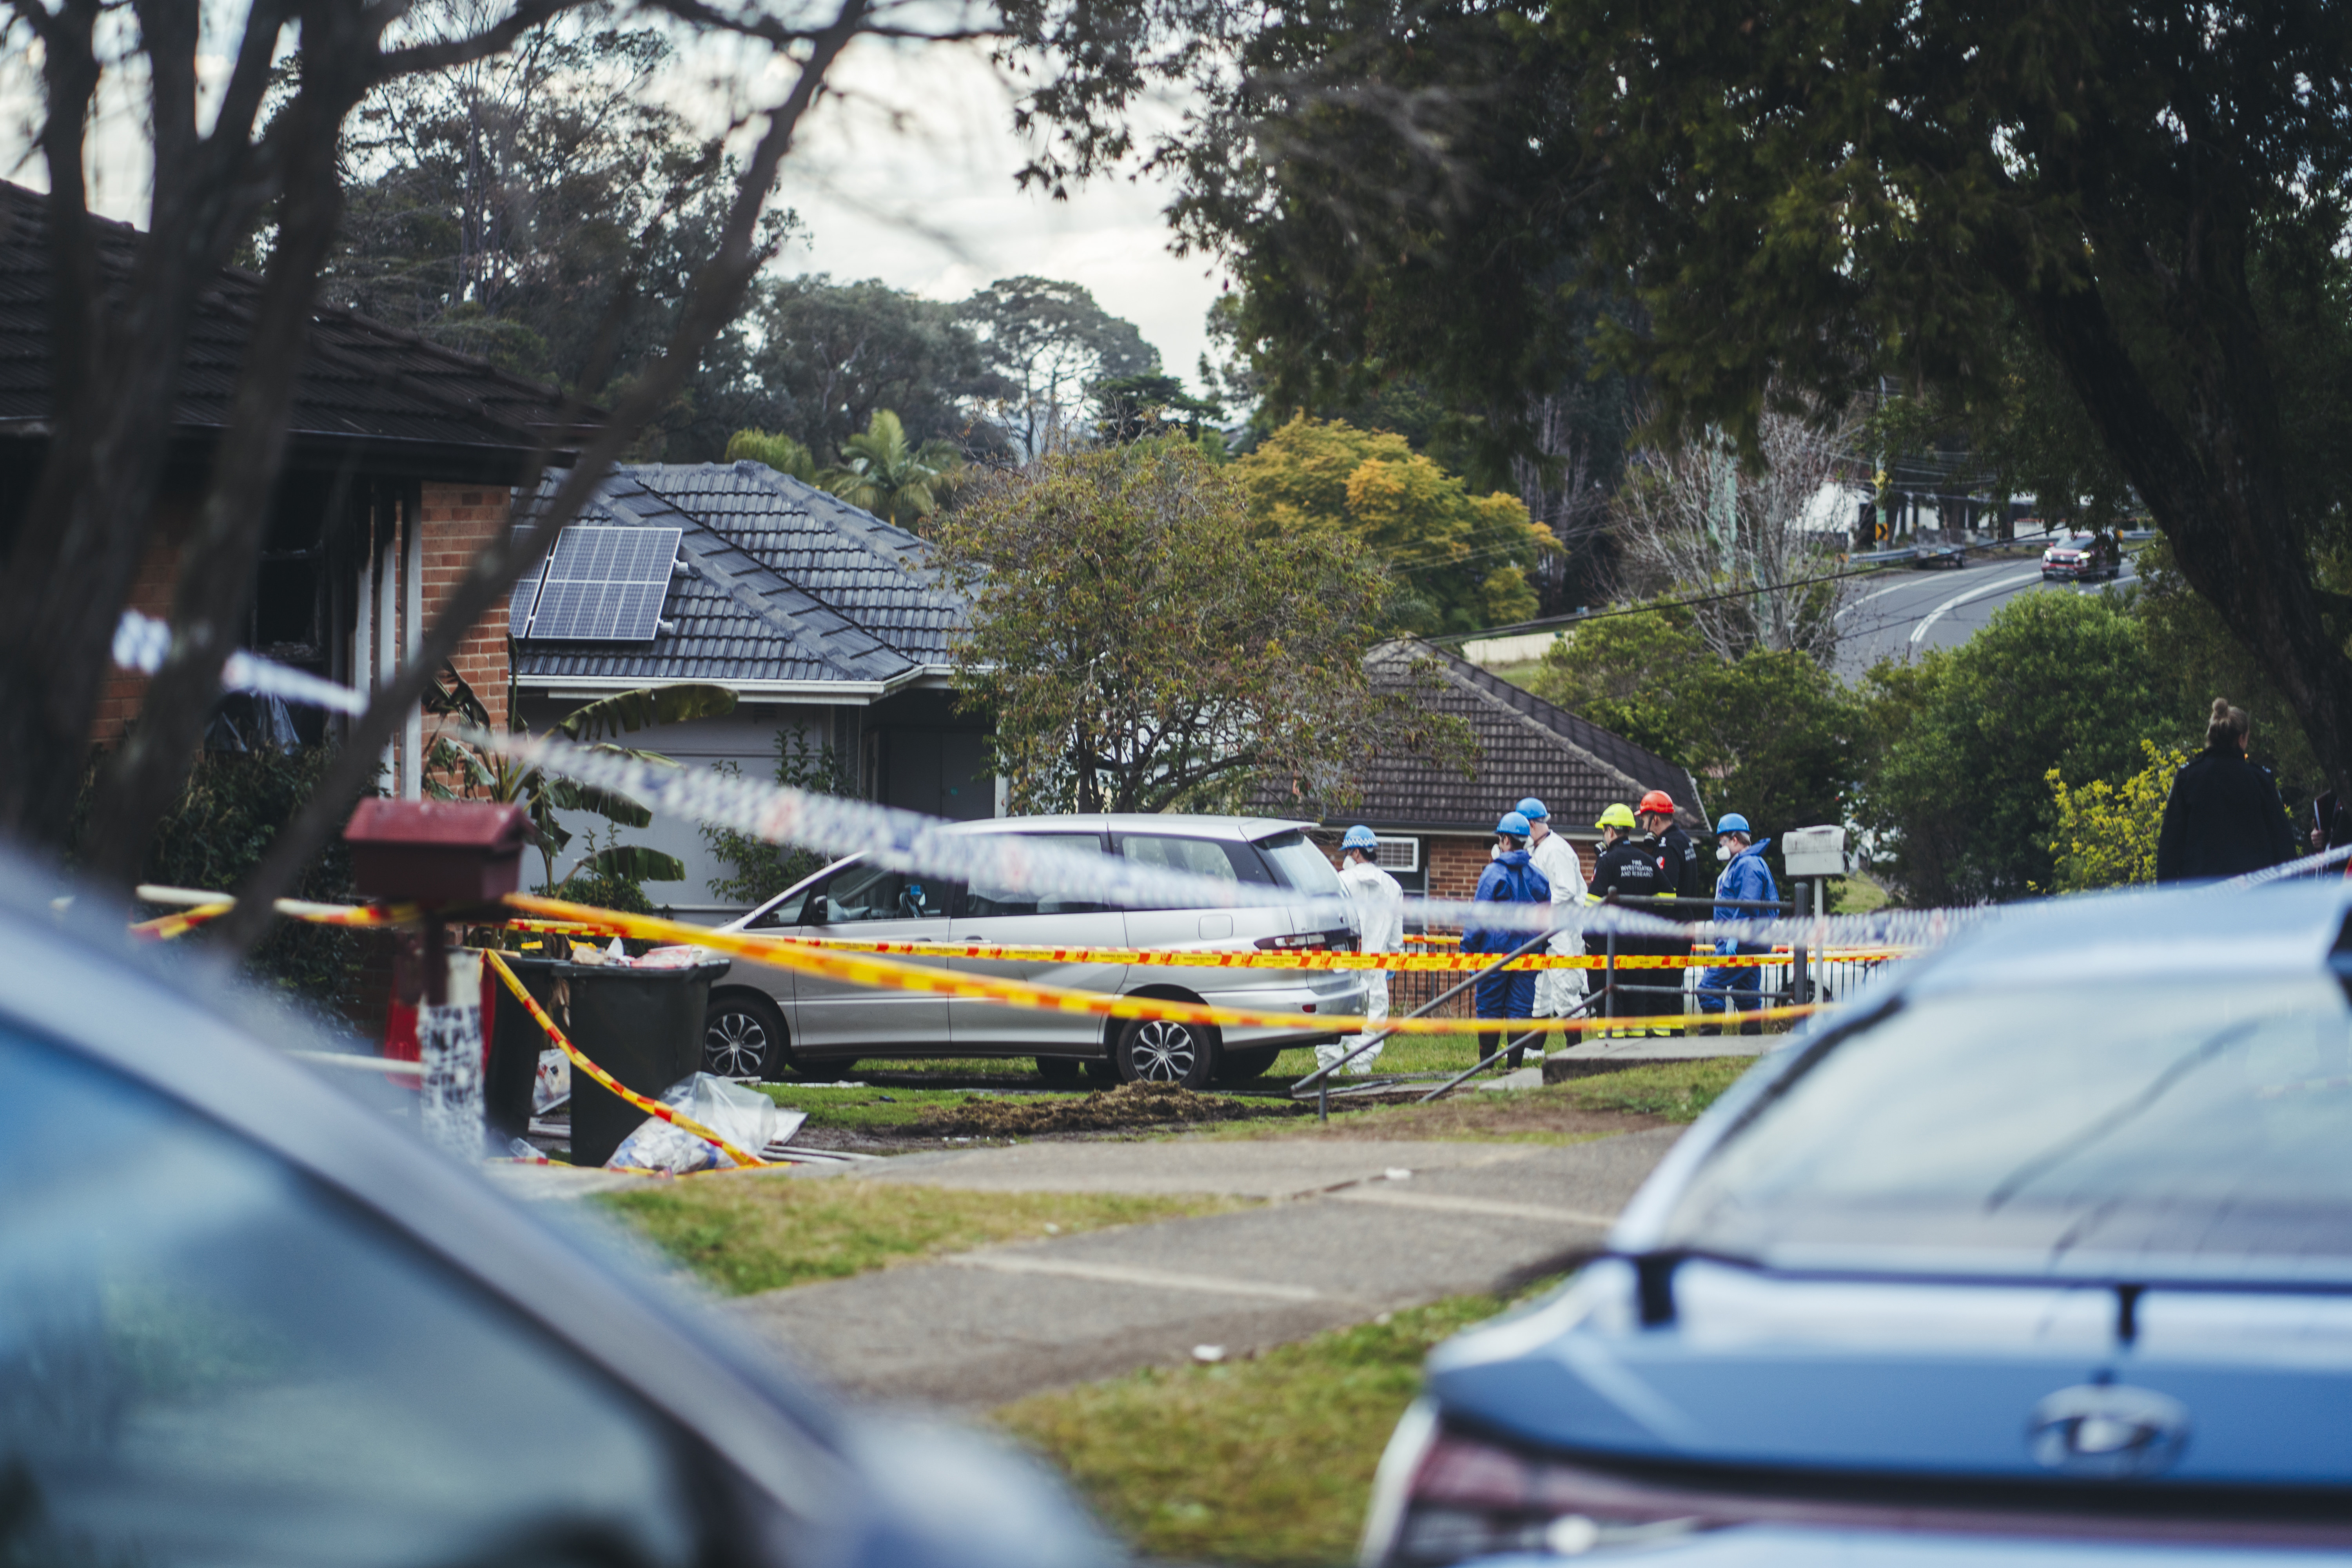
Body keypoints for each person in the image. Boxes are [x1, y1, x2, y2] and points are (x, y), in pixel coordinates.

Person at [2156, 699, 2301, 882]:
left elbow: (2170, 846)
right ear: (2242, 738)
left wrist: (2167, 896)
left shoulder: (2187, 778)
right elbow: (2283, 844)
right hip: (2255, 893)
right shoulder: (2261, 779)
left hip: (2201, 893)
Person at [1465, 810, 1551, 1071]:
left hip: (1494, 955)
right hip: (1528, 956)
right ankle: (1514, 1065)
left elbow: (1478, 918)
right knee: (1520, 1010)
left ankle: (1486, 1067)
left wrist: (1468, 949)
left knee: (1490, 1009)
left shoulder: (1493, 874)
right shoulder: (1539, 878)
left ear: (1504, 840)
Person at [1322, 825, 1405, 1075]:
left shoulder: (1339, 882)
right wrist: (1391, 963)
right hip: (1376, 966)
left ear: (1356, 852)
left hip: (1342, 963)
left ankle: (1328, 1069)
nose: (1346, 856)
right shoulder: (1392, 887)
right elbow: (1396, 937)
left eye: (1348, 851)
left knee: (1334, 1015)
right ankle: (1361, 1068)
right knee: (1373, 1017)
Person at [1515, 797, 1587, 1062]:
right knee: (1539, 993)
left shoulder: (1555, 850)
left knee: (1565, 990)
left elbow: (1566, 891)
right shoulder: (1538, 849)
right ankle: (1535, 1051)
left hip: (1563, 933)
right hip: (1545, 933)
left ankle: (1576, 1050)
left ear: (1532, 824)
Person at [1587, 802, 1665, 1033]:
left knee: (1608, 994)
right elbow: (1669, 896)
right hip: (1639, 940)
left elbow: (1592, 904)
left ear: (1610, 831)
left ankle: (1611, 1044)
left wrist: (1588, 936)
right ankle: (1635, 1048)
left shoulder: (1607, 861)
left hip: (1608, 942)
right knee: (1634, 996)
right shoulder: (1647, 860)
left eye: (1604, 831)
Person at [1698, 813, 1777, 1035]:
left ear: (1735, 840)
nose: (1720, 846)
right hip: (1747, 941)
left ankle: (1709, 1039)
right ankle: (1753, 1041)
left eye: (1722, 841)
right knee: (1746, 992)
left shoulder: (1748, 865)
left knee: (1709, 987)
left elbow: (1748, 904)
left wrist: (1734, 937)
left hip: (1741, 941)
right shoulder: (1743, 864)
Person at [1638, 789, 1701, 1032]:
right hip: (1685, 923)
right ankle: (1676, 1036)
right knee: (1674, 986)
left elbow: (1665, 891)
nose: (1642, 825)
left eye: (1644, 819)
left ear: (1655, 819)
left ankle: (1661, 1042)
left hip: (1668, 928)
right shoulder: (1684, 840)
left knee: (1660, 989)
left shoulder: (1666, 846)